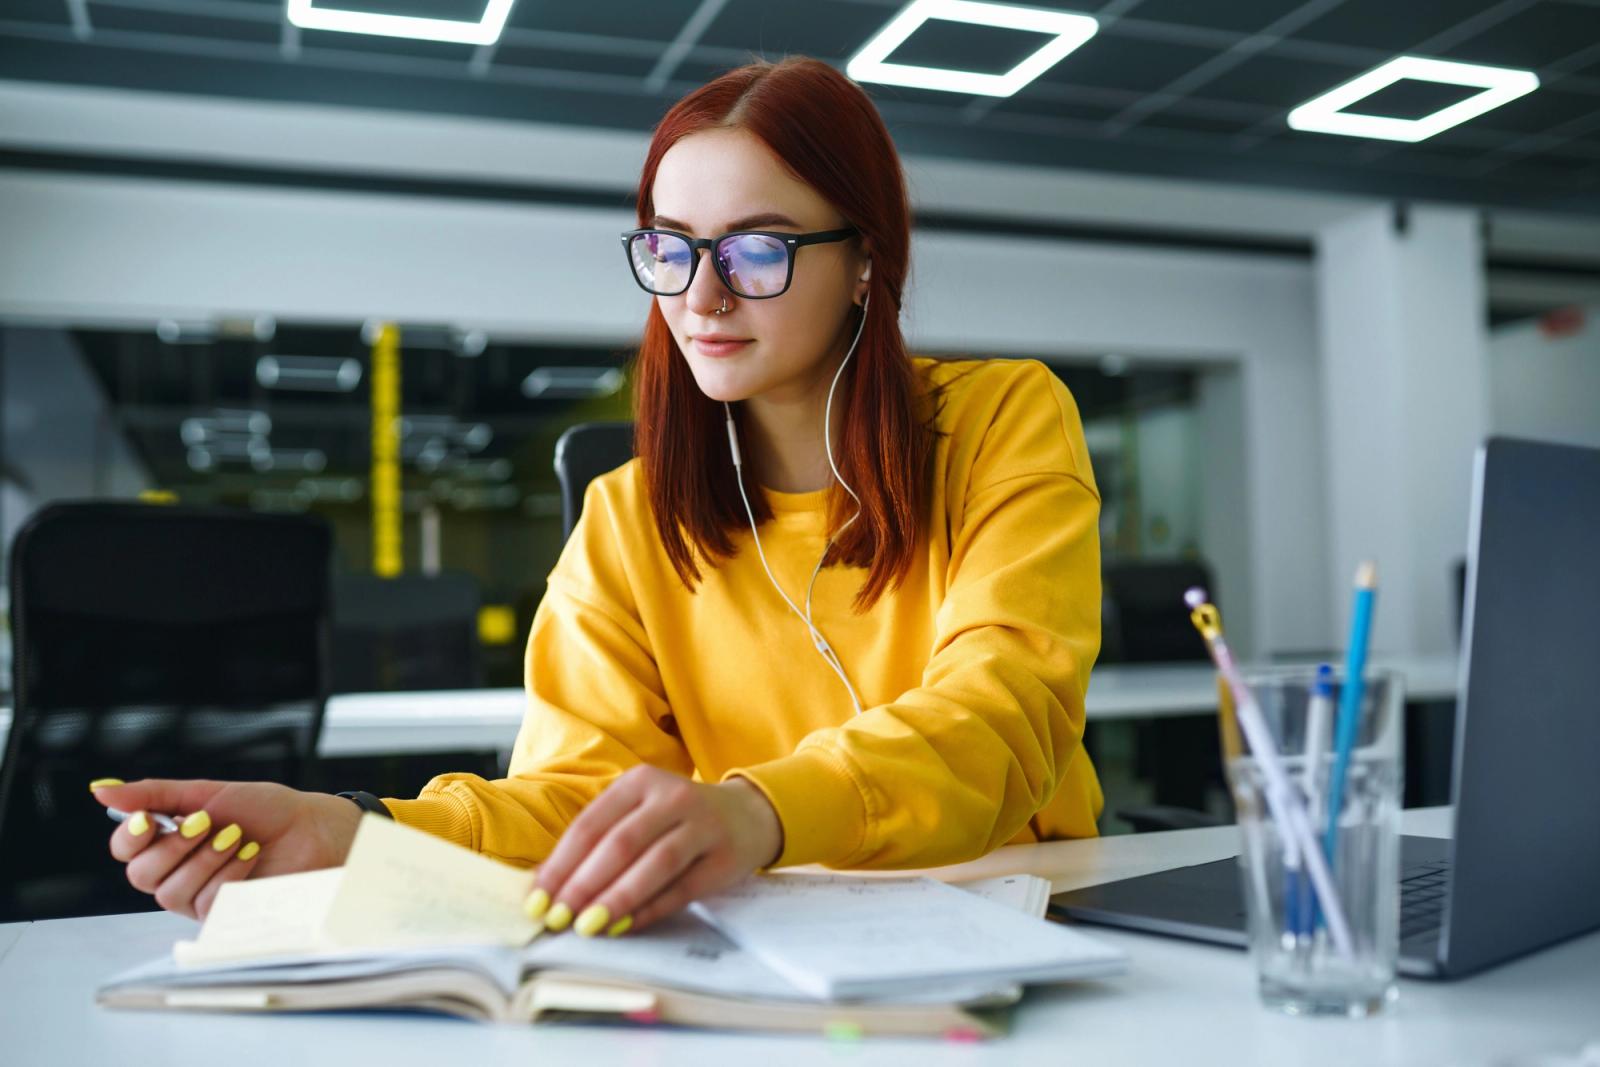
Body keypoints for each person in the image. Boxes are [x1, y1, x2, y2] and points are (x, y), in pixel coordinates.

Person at [92, 56, 1105, 940]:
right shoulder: (628, 516)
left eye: (757, 248)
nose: (699, 297)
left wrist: (753, 810)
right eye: (671, 246)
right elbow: (574, 795)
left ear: (865, 261)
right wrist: (359, 828)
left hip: (1015, 909)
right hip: (774, 944)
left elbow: (1003, 711)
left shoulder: (999, 421)